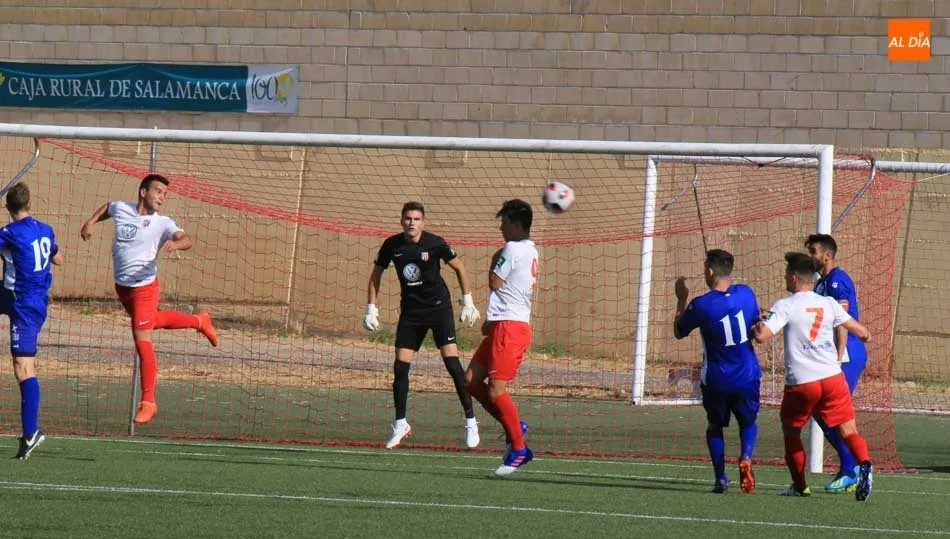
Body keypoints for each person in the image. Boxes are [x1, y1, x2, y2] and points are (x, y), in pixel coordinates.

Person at [80, 174, 219, 425]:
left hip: (145, 289)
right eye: (158, 191)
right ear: (143, 192)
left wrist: (176, 246)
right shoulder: (122, 209)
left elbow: (186, 239)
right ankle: (199, 321)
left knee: (142, 339)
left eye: (165, 194)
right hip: (123, 288)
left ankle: (148, 402)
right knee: (151, 321)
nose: (162, 197)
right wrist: (90, 222)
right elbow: (108, 207)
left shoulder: (163, 223)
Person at [753, 252, 873, 501]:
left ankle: (799, 485)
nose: (785, 277)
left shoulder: (785, 305)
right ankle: (865, 464)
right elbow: (863, 333)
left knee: (792, 430)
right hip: (832, 378)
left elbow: (762, 337)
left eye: (787, 274)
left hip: (803, 382)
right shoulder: (828, 303)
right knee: (848, 428)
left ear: (794, 278)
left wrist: (759, 324)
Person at [364, 201, 481, 449]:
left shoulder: (435, 242)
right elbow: (376, 274)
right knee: (400, 368)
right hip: (411, 313)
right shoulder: (392, 245)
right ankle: (400, 424)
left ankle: (471, 421)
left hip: (439, 310)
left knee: (452, 365)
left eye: (416, 219)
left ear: (423, 222)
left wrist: (467, 301)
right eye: (407, 218)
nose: (411, 223)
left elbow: (459, 267)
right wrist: (371, 308)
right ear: (401, 221)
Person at [673, 249, 761, 494]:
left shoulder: (701, 305)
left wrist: (681, 299)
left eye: (704, 268)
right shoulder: (746, 293)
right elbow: (756, 320)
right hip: (747, 376)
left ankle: (720, 477)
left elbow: (679, 332)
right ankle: (745, 456)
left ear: (710, 271)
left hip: (716, 380)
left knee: (714, 425)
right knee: (748, 422)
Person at [464, 199, 538, 476]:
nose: (501, 226)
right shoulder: (531, 249)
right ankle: (515, 427)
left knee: (496, 389)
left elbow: (495, 281)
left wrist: (495, 259)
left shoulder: (512, 248)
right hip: (502, 325)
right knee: (470, 380)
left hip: (510, 328)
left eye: (504, 221)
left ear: (516, 224)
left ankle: (519, 449)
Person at [0, 183, 63, 459]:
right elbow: (60, 258)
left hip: (24, 303)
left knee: (23, 367)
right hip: (18, 294)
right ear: (30, 205)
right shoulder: (46, 229)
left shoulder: (9, 233)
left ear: (8, 208)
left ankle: (31, 433)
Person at [805, 233, 868, 492]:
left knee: (834, 413)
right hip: (836, 355)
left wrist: (837, 357)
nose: (809, 256)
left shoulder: (837, 282)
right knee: (819, 411)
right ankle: (851, 466)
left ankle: (851, 469)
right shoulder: (822, 283)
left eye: (812, 252)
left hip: (847, 354)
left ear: (827, 255)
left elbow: (842, 320)